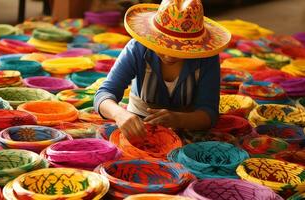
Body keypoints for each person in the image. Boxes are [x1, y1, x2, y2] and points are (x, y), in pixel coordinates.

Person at [94, 0, 231, 142]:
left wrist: (179, 119)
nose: (168, 55)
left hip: (189, 127)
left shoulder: (207, 58)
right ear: (153, 37)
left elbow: (209, 113)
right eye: (164, 46)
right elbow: (103, 94)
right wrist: (119, 114)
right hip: (140, 125)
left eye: (178, 48)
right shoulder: (138, 48)